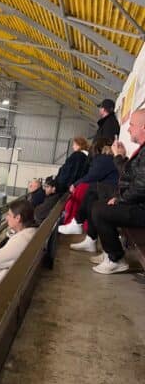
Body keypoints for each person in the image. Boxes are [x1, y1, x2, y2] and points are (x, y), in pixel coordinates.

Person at [73, 108, 145, 274]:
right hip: (137, 201)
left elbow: (141, 186)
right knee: (94, 190)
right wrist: (120, 156)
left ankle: (115, 258)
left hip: (140, 207)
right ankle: (89, 237)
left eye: (132, 125)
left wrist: (120, 199)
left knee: (99, 209)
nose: (128, 129)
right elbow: (131, 175)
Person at [58, 140, 118, 232]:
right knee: (92, 196)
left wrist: (75, 184)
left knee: (91, 192)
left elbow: (92, 176)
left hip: (112, 191)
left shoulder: (103, 159)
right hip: (113, 190)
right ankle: (86, 232)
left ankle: (78, 223)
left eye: (74, 144)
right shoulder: (111, 159)